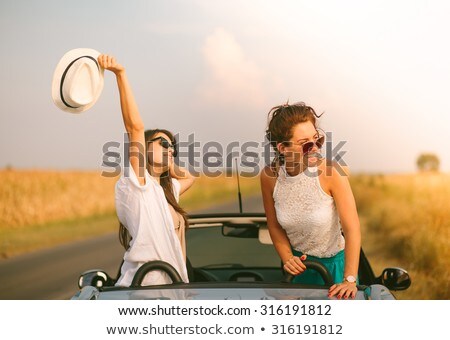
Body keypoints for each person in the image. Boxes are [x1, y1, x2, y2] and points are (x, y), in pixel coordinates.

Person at [98, 54, 195, 287]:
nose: (169, 148)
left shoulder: (166, 190)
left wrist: (168, 158)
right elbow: (135, 127)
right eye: (162, 143)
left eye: (173, 146)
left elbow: (191, 177)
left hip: (173, 285)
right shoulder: (138, 184)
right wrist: (120, 75)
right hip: (146, 283)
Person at [260, 102, 361, 299]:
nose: (315, 148)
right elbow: (274, 226)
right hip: (298, 271)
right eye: (306, 144)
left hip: (337, 271)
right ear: (283, 148)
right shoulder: (269, 177)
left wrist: (349, 279)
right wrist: (288, 259)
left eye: (317, 140)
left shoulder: (332, 173)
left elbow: (352, 228)